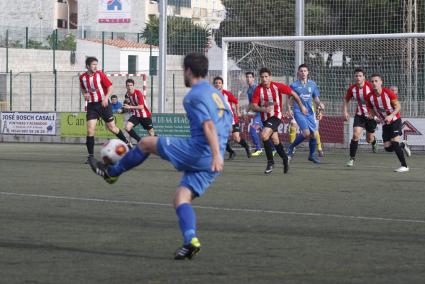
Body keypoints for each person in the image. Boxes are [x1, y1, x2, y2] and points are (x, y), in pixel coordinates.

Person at [88, 53, 233, 259]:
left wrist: (216, 153)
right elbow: (226, 122)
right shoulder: (215, 94)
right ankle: (190, 240)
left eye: (184, 69)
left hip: (202, 151)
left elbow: (208, 124)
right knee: (181, 198)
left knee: (146, 143)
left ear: (189, 71)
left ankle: (112, 173)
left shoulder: (193, 96)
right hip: (212, 160)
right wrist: (218, 155)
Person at [251, 67, 307, 174]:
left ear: (270, 77)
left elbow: (294, 94)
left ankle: (270, 163)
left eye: (266, 77)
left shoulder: (277, 86)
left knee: (264, 135)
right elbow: (253, 105)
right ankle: (285, 159)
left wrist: (301, 107)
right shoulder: (258, 89)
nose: (264, 79)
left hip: (276, 116)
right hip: (265, 118)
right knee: (275, 141)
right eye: (262, 77)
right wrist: (263, 109)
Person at [79, 57, 130, 163]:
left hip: (104, 104)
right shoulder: (82, 77)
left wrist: (106, 98)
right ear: (87, 66)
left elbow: (110, 87)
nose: (95, 67)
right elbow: (83, 88)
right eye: (93, 65)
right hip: (92, 106)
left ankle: (127, 143)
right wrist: (85, 94)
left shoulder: (100, 74)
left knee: (112, 128)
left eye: (96, 65)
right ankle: (90, 157)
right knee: (90, 130)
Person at [366, 74, 411, 172]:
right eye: (372, 81)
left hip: (395, 120)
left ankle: (405, 166)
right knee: (388, 148)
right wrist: (375, 117)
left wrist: (391, 116)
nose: (374, 83)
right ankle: (402, 145)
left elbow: (398, 107)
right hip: (385, 123)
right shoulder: (369, 96)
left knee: (394, 143)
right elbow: (370, 109)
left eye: (376, 81)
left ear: (381, 82)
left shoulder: (388, 93)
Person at [287, 64, 325, 164]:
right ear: (298, 73)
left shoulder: (312, 84)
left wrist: (319, 104)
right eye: (301, 71)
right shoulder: (294, 85)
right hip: (298, 111)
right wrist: (289, 109)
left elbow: (316, 98)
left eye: (305, 71)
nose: (303, 73)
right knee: (306, 133)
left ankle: (311, 155)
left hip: (309, 112)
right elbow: (290, 99)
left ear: (308, 72)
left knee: (313, 134)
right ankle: (291, 147)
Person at [343, 68, 378, 167]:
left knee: (369, 139)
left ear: (364, 77)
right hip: (359, 115)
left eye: (360, 76)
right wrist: (345, 111)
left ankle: (374, 141)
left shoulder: (371, 87)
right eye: (356, 76)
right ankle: (351, 159)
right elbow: (346, 100)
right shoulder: (352, 89)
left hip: (371, 116)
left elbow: (378, 99)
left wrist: (375, 113)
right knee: (355, 135)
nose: (358, 77)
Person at [213, 76, 251, 159]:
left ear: (222, 84)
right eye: (216, 83)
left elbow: (236, 102)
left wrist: (237, 111)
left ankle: (247, 147)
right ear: (214, 85)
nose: (217, 84)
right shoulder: (211, 96)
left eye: (219, 83)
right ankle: (232, 152)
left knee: (236, 138)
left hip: (232, 119)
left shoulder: (227, 94)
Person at [123, 79, 155, 143]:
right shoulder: (126, 95)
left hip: (145, 115)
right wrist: (122, 109)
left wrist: (130, 107)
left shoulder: (138, 93)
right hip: (136, 115)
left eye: (131, 85)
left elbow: (141, 106)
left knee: (151, 132)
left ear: (133, 86)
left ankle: (155, 144)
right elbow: (127, 103)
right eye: (128, 85)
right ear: (126, 86)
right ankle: (140, 141)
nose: (129, 87)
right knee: (127, 127)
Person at [245, 71, 263, 156]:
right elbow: (250, 103)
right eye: (247, 77)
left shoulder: (256, 88)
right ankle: (274, 149)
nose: (248, 79)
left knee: (252, 129)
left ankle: (258, 149)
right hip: (259, 114)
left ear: (253, 78)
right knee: (265, 133)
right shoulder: (249, 90)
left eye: (250, 77)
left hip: (262, 113)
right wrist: (245, 112)